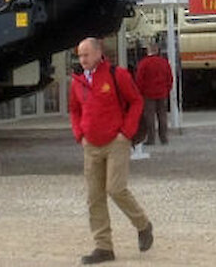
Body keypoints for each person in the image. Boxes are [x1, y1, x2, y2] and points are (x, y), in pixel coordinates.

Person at [68, 38, 153, 264]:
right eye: (80, 55)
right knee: (94, 197)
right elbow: (74, 110)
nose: (82, 59)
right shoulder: (77, 81)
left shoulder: (117, 74)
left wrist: (125, 132)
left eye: (86, 55)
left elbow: (136, 101)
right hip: (91, 145)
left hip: (116, 142)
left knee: (116, 189)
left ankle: (143, 224)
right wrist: (80, 134)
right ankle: (103, 247)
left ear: (98, 53)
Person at [134, 40, 174, 146]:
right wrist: (167, 89)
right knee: (162, 116)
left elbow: (139, 79)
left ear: (148, 51)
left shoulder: (144, 63)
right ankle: (164, 138)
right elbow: (169, 77)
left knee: (149, 117)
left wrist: (140, 92)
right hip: (162, 93)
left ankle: (151, 138)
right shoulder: (164, 62)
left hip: (148, 94)